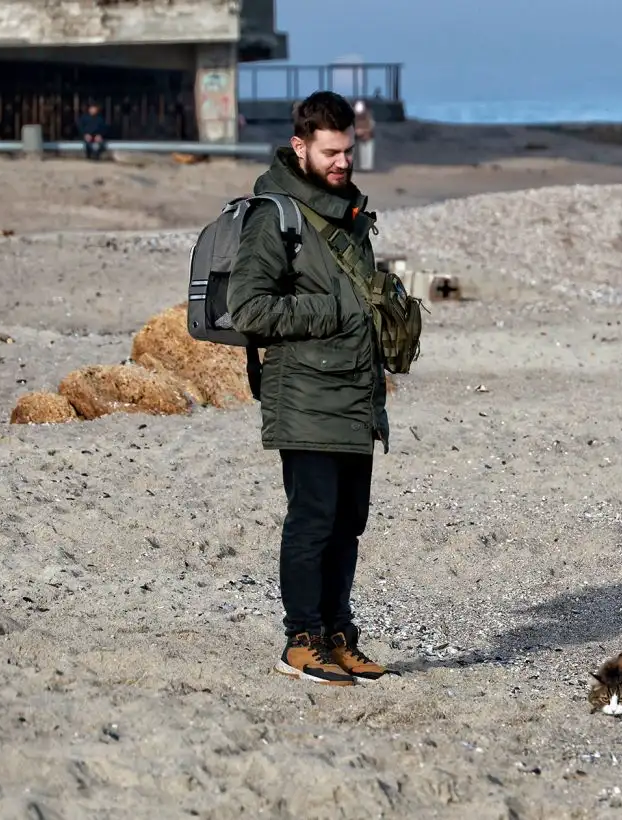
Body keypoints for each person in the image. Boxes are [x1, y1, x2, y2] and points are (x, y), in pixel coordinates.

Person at [226, 90, 390, 687]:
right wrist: (339, 310)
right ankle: (301, 639)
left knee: (349, 521)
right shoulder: (277, 215)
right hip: (304, 394)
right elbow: (248, 307)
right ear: (300, 147)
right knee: (312, 519)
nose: (343, 161)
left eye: (349, 149)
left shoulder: (349, 212)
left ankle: (338, 635)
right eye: (330, 152)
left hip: (354, 395)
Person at [353, 99, 376, 172]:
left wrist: (363, 131)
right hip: (358, 138)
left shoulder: (368, 116)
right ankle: (362, 166)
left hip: (368, 137)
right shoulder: (354, 117)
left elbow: (371, 127)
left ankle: (367, 167)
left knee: (367, 152)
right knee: (360, 152)